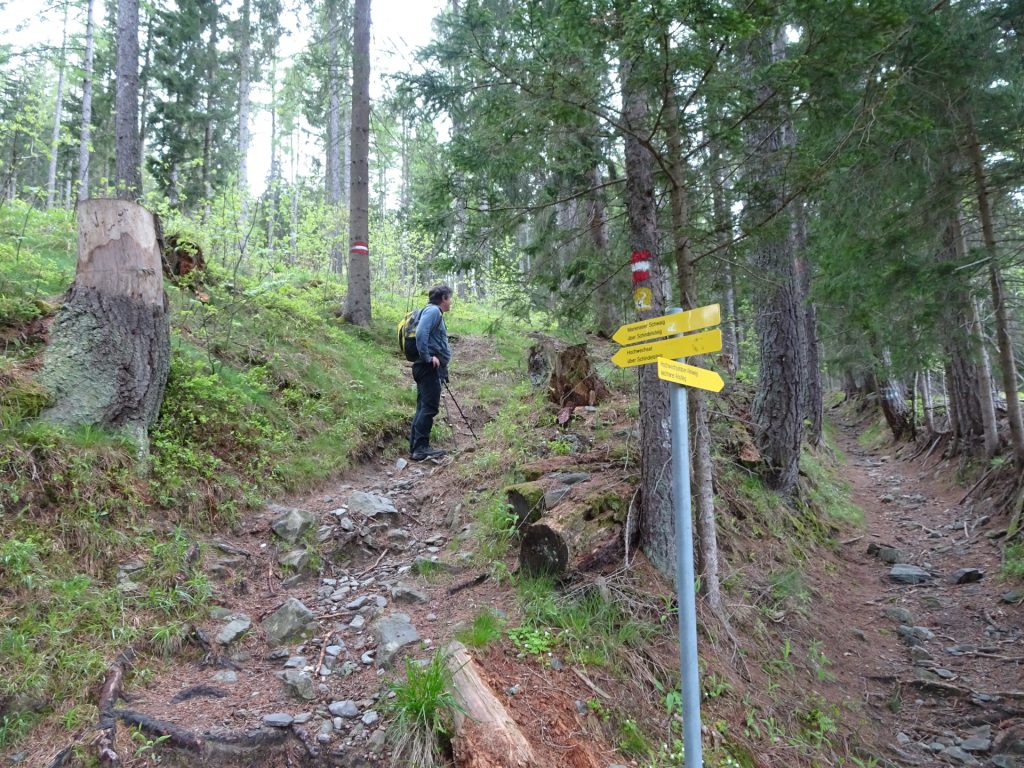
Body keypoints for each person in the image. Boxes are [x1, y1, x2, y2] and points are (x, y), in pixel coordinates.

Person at [409, 285, 452, 461]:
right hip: (427, 368)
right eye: (449, 298)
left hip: (428, 368)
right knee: (429, 407)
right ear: (443, 298)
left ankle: (416, 446)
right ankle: (421, 448)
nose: (451, 302)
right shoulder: (433, 311)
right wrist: (428, 357)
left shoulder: (430, 311)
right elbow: (421, 333)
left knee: (423, 406)